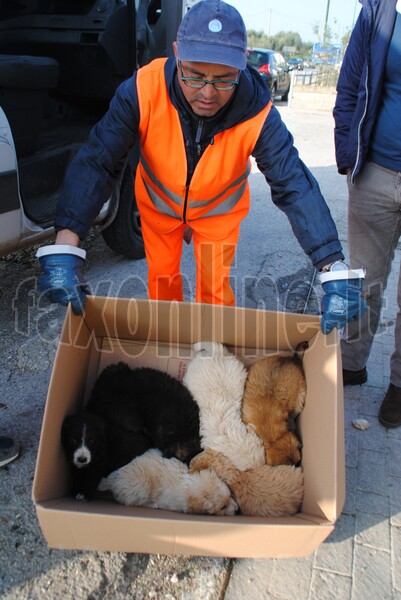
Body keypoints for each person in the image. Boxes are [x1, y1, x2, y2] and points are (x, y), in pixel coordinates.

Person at [37, 0, 365, 336]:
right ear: (177, 53)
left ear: (242, 64)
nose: (208, 93)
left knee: (215, 295)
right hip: (159, 208)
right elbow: (99, 158)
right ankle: (170, 355)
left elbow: (293, 182)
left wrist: (332, 265)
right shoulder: (142, 89)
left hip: (217, 213)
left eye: (224, 80)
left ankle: (212, 364)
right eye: (194, 76)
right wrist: (66, 242)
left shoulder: (257, 111)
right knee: (162, 287)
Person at [333, 0, 401, 427]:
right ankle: (351, 364)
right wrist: (346, 155)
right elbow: (349, 84)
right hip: (375, 170)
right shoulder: (378, 12)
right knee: (365, 280)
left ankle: (400, 385)